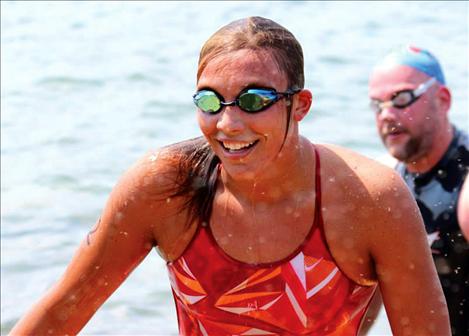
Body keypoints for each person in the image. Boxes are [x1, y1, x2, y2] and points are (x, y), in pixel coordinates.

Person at [11, 17, 450, 336]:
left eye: (254, 100)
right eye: (210, 101)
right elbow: (59, 314)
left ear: (300, 106)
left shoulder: (371, 200)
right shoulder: (165, 188)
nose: (228, 123)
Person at [368, 45, 469, 336]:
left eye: (401, 99)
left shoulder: (464, 188)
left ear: (443, 99)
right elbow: (366, 302)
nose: (386, 115)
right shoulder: (384, 183)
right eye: (378, 105)